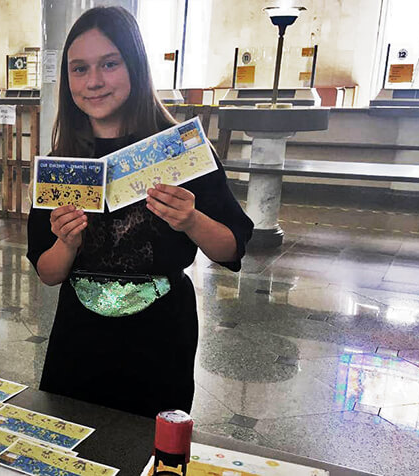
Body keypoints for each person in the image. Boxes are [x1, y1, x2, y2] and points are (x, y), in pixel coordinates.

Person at [27, 6, 253, 418]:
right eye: (79, 69)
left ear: (135, 66)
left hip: (161, 333)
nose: (93, 82)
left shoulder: (181, 153)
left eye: (109, 64)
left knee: (152, 448)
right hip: (80, 334)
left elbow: (232, 248)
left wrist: (192, 220)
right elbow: (48, 272)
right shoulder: (64, 164)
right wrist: (66, 242)